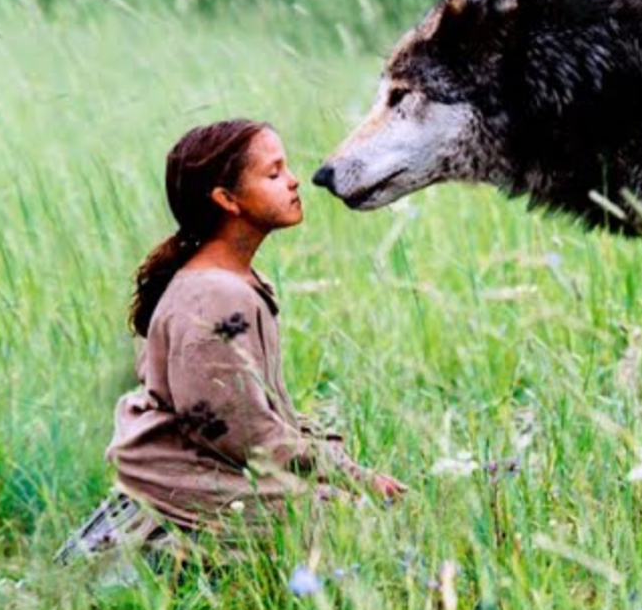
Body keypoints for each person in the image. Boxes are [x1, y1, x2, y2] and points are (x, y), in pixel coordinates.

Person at [55, 119, 406, 571]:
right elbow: (240, 434)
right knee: (356, 525)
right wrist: (348, 474)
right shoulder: (216, 297)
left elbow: (253, 416)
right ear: (227, 200)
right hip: (191, 485)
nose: (295, 180)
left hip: (216, 471)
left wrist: (330, 456)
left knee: (356, 512)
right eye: (274, 173)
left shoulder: (233, 282)